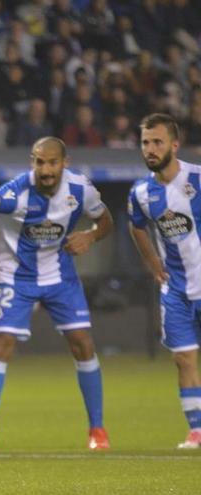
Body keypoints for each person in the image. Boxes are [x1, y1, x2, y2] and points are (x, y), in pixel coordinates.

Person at [0, 137, 114, 453]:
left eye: (52, 162)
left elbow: (105, 220)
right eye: (39, 162)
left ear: (65, 162)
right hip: (15, 277)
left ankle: (97, 429)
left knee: (83, 343)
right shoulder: (16, 191)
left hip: (60, 277)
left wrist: (90, 237)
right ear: (31, 162)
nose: (45, 170)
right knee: (1, 344)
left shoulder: (80, 188)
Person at [127, 113, 201, 449]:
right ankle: (196, 431)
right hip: (176, 289)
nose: (151, 149)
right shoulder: (141, 192)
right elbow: (136, 225)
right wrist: (152, 260)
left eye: (157, 142)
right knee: (183, 358)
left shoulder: (197, 179)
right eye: (146, 142)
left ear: (174, 144)